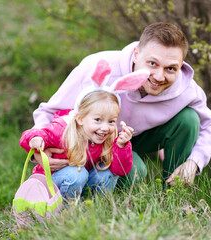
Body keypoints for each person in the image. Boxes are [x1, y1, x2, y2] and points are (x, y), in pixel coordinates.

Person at [31, 22, 211, 187]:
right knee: (136, 171)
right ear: (137, 54)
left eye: (171, 68)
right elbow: (50, 110)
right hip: (94, 144)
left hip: (139, 138)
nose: (159, 76)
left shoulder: (187, 90)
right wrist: (39, 151)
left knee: (189, 119)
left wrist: (194, 162)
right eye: (152, 63)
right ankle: (88, 189)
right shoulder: (98, 67)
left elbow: (209, 126)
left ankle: (173, 193)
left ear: (180, 65)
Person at [19, 60, 150, 198]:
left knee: (107, 172)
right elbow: (31, 136)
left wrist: (122, 146)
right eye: (98, 120)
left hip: (81, 181)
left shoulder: (109, 138)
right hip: (50, 185)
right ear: (80, 118)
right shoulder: (62, 130)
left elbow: (120, 170)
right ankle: (64, 209)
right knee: (77, 173)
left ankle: (95, 206)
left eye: (111, 121)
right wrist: (36, 139)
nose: (105, 127)